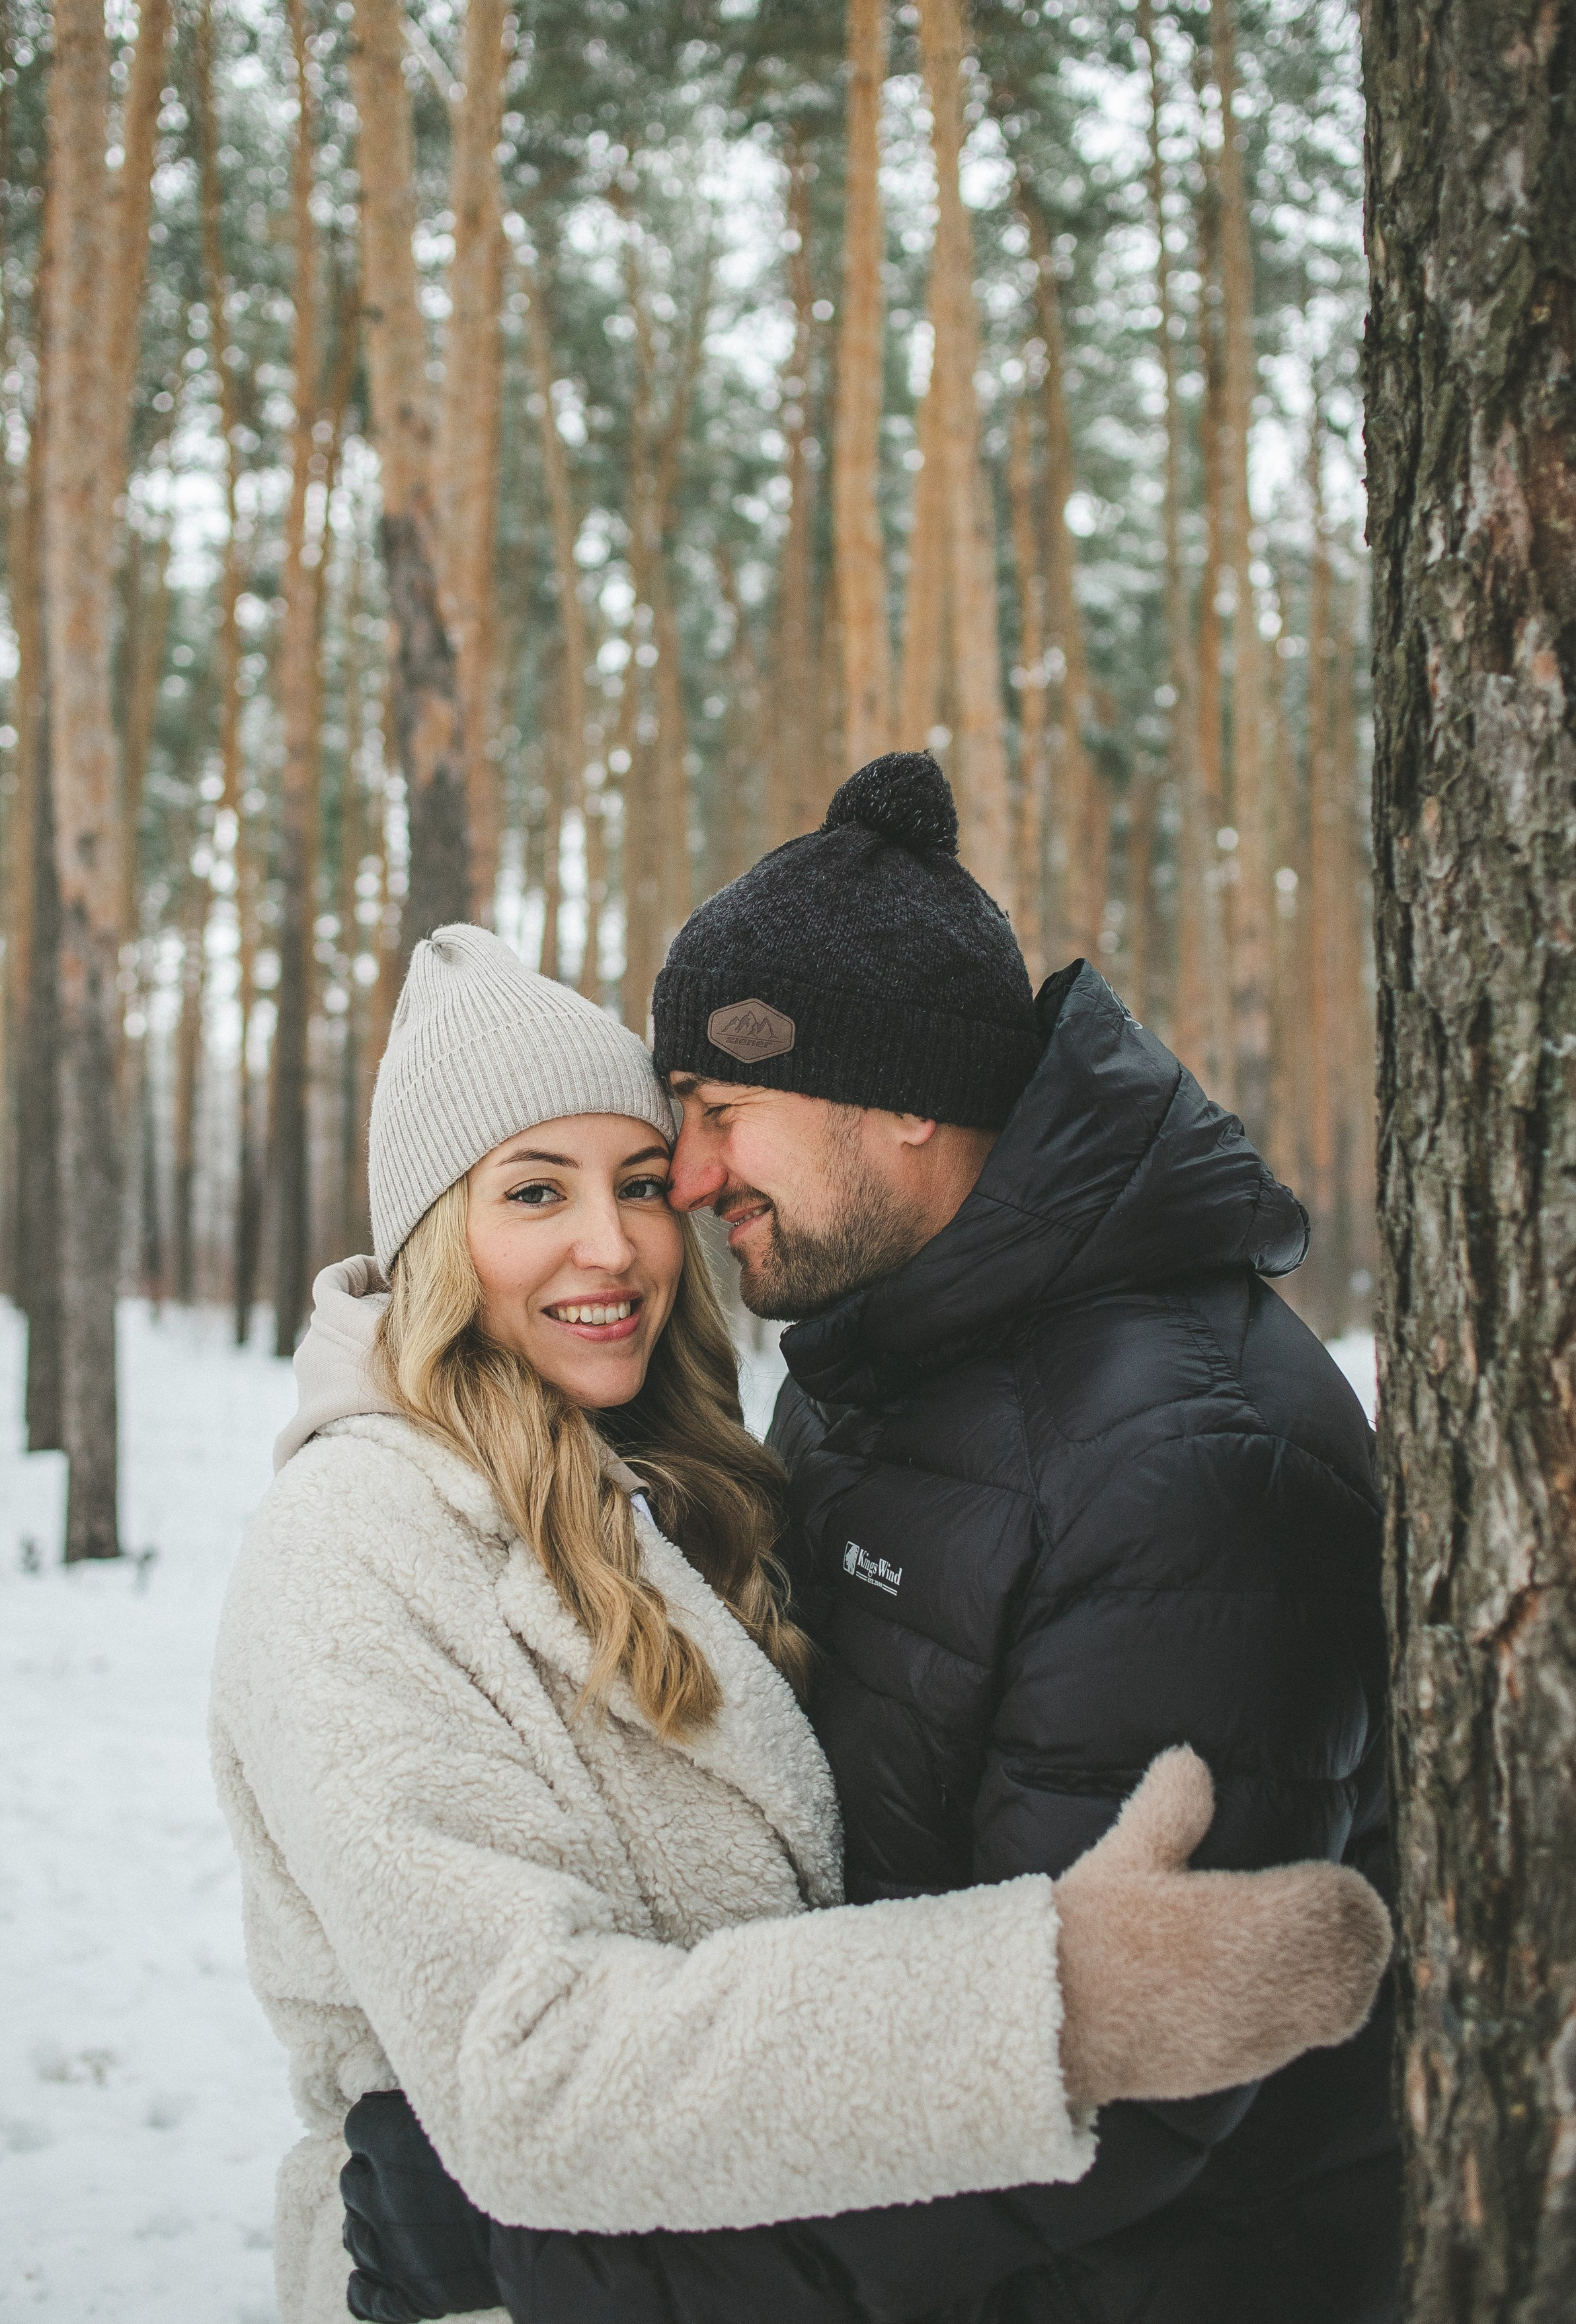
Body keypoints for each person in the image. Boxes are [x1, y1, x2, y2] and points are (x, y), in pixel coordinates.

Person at [210, 921, 1391, 2324]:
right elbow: (526, 2060)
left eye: (640, 1181)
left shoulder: (682, 1488)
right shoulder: (354, 1545)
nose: (617, 1239)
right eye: (534, 1192)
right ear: (432, 1239)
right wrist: (1040, 2005)